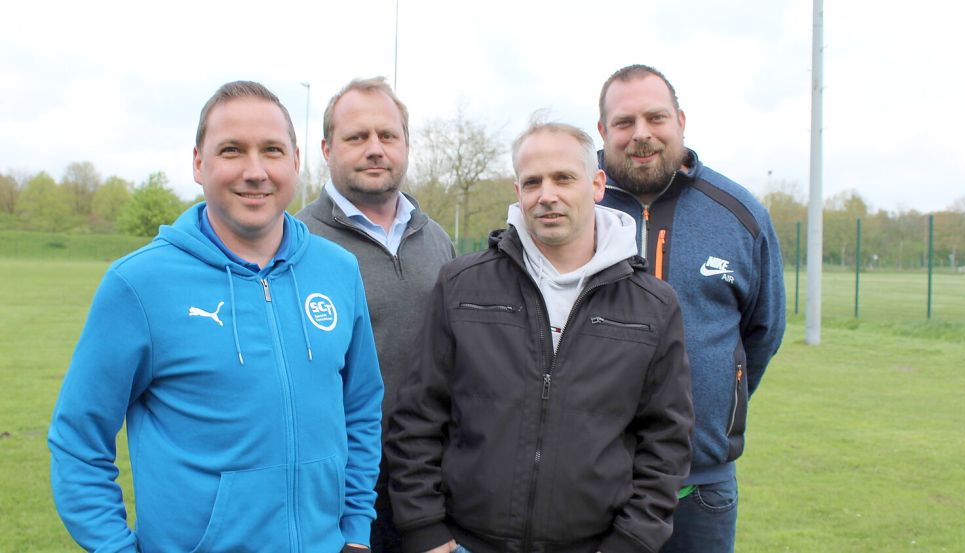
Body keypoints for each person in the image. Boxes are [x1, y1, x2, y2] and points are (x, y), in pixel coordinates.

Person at [48, 81, 384, 553]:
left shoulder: (339, 270)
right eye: (232, 150)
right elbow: (77, 440)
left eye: (271, 150)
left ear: (295, 161)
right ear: (198, 163)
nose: (255, 171)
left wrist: (353, 531)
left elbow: (362, 408)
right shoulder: (139, 284)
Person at [386, 121, 694, 553]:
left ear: (597, 184)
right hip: (466, 544)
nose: (547, 194)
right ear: (518, 191)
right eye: (533, 182)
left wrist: (631, 543)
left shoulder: (653, 305)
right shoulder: (461, 285)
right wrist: (425, 529)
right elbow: (418, 415)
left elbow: (666, 443)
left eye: (563, 178)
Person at [596, 64, 787, 553]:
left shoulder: (738, 213)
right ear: (602, 132)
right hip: (590, 478)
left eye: (655, 118)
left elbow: (761, 333)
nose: (641, 135)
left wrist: (722, 399)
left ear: (680, 120)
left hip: (701, 487)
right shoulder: (573, 206)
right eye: (624, 122)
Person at [297, 76, 453, 553]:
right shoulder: (296, 242)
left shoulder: (437, 240)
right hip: (337, 493)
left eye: (387, 136)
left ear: (405, 145)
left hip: (432, 484)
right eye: (356, 137)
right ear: (327, 147)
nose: (374, 148)